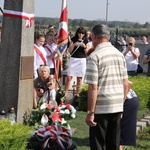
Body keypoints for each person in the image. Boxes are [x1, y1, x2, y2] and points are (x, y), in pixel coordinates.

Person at [84, 24, 129, 150]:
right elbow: (125, 83)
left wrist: (90, 112)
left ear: (94, 37)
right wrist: (121, 103)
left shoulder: (94, 56)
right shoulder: (119, 54)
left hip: (101, 108)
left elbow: (93, 87)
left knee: (98, 144)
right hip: (117, 105)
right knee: (114, 144)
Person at [64, 26, 89, 102]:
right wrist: (74, 44)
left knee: (79, 78)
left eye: (82, 33)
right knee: (69, 77)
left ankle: (77, 94)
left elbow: (87, 53)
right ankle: (65, 93)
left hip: (81, 60)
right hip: (74, 58)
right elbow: (69, 51)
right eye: (79, 33)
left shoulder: (86, 41)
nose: (81, 34)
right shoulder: (73, 39)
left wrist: (84, 47)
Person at [120, 82, 139, 150]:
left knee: (116, 136)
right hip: (129, 100)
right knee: (116, 137)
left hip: (128, 101)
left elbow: (128, 84)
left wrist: (120, 105)